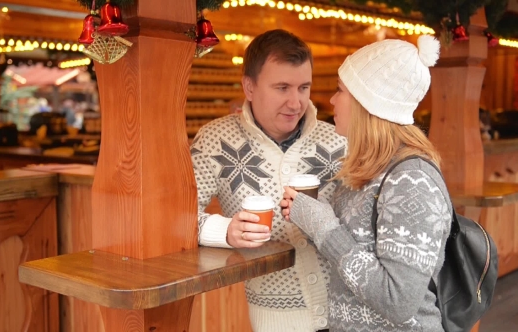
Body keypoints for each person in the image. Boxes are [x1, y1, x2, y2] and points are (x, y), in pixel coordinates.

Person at [280, 35, 452, 331]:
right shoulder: (367, 169)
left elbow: (398, 301)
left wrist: (324, 227)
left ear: (367, 104)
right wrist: (311, 219)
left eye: (340, 91)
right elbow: (350, 255)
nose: (332, 100)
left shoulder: (413, 181)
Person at [190, 29, 347, 332]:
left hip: (350, 314)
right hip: (275, 321)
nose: (296, 102)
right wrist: (226, 231)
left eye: (304, 87)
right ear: (249, 87)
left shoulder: (339, 140)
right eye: (282, 87)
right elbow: (176, 217)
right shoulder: (215, 140)